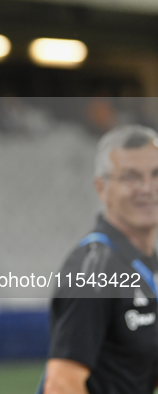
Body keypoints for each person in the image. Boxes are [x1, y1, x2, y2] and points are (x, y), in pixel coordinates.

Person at [43, 125, 158, 394]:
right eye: (131, 177)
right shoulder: (94, 269)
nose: (147, 188)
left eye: (155, 174)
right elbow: (61, 385)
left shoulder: (143, 264)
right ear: (101, 187)